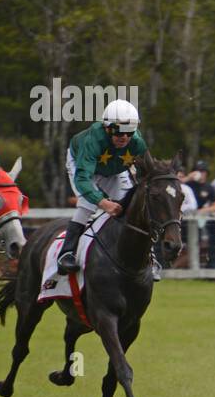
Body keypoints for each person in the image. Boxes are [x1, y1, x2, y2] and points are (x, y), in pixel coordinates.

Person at [56, 99, 149, 274]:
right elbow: (82, 179)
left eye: (129, 132)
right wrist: (103, 202)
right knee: (88, 204)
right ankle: (66, 253)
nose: (124, 137)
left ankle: (144, 255)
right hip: (82, 165)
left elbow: (146, 173)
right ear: (106, 127)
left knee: (129, 205)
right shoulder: (92, 140)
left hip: (113, 169)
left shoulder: (137, 143)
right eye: (118, 131)